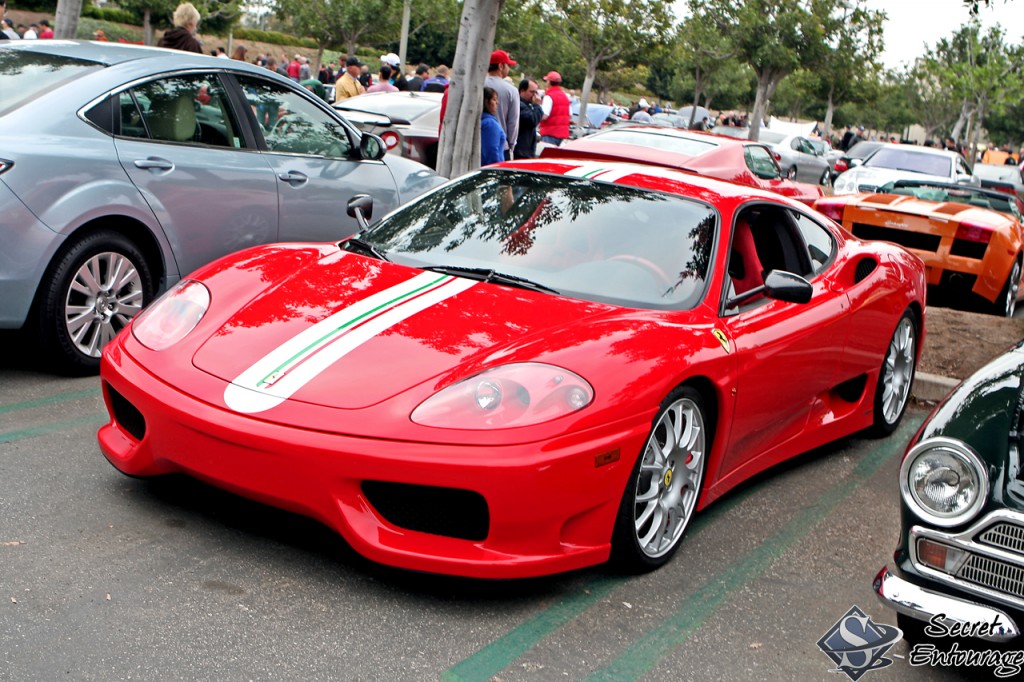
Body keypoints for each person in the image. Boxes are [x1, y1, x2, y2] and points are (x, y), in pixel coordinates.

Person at [484, 49, 520, 160]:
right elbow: (513, 121)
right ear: (501, 66)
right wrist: (512, 144)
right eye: (508, 65)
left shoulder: (478, 84)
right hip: (501, 146)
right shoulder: (511, 90)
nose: (509, 69)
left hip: (477, 143)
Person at [538, 71, 570, 147]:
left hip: (549, 134)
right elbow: (570, 115)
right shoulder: (565, 96)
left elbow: (544, 115)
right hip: (563, 134)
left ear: (549, 82)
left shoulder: (549, 96)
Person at [515, 79, 543, 160]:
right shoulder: (519, 105)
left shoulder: (528, 105)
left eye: (536, 92)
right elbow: (532, 120)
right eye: (532, 92)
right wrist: (537, 106)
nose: (534, 96)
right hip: (520, 150)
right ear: (522, 91)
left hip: (526, 150)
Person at [480, 87, 506, 167]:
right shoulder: (490, 124)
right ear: (486, 102)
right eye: (494, 100)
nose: (497, 103)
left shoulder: (483, 120)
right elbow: (491, 151)